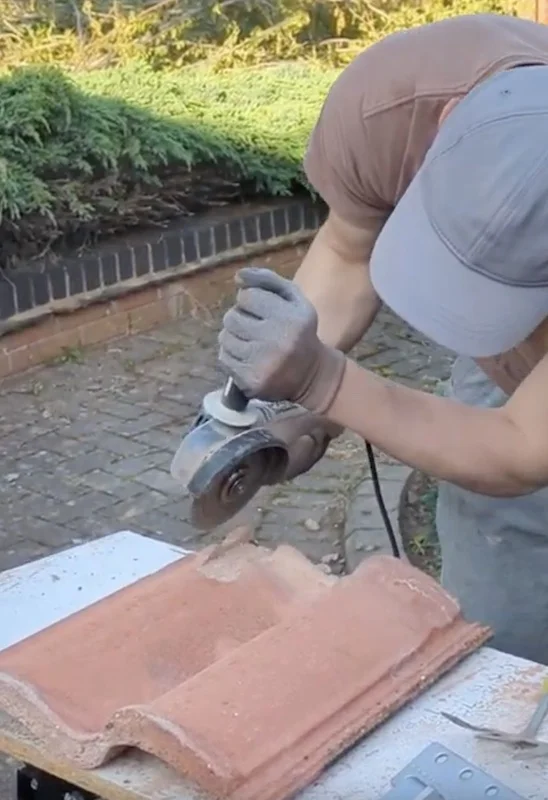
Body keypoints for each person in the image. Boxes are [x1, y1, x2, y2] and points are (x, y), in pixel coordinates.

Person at [217, 13, 548, 666]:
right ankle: (504, 706)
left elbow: (521, 446)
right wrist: (279, 405)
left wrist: (325, 380)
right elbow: (347, 250)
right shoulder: (389, 105)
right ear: (448, 120)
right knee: (501, 563)